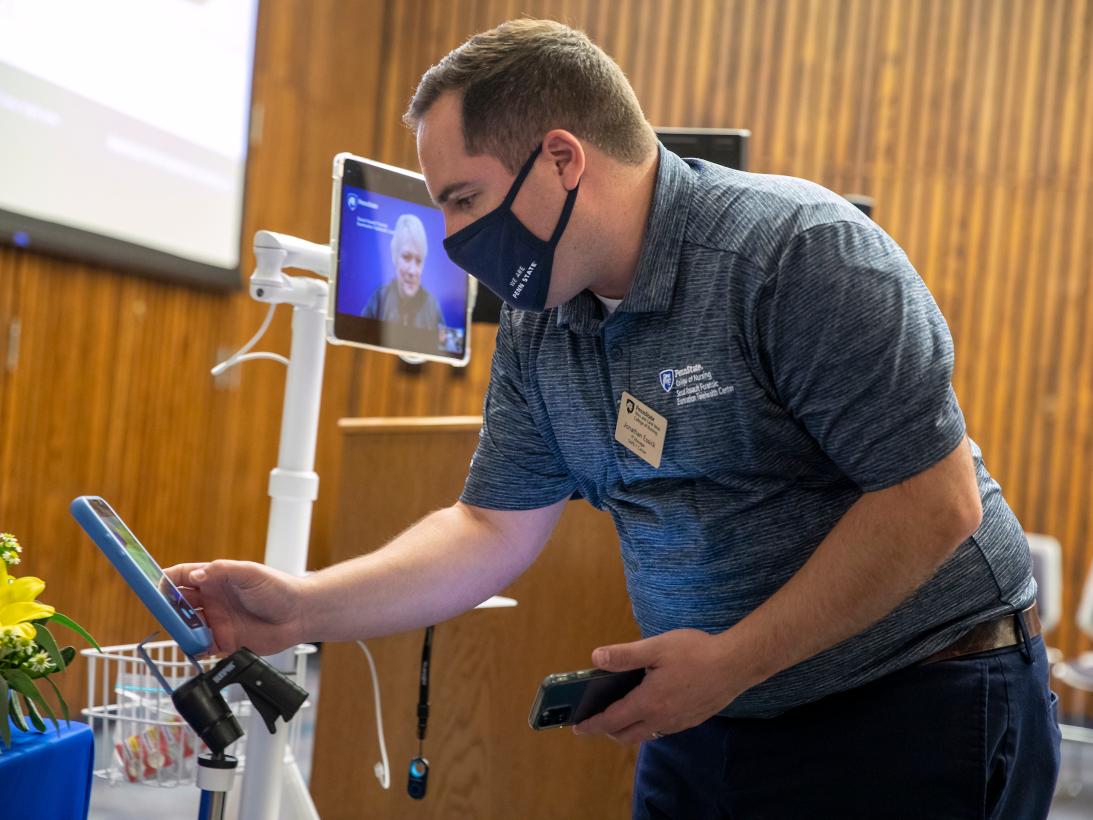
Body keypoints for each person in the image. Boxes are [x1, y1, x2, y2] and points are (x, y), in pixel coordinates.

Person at [168, 19, 1061, 818]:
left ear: (562, 159)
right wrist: (303, 609)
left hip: (912, 699)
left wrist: (735, 660)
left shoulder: (796, 254)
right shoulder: (540, 316)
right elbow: (489, 527)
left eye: (464, 199)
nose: (447, 238)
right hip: (705, 709)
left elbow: (932, 502)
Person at [361, 212, 445, 330]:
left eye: (419, 261)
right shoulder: (378, 300)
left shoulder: (433, 307)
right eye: (406, 257)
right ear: (395, 256)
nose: (412, 271)